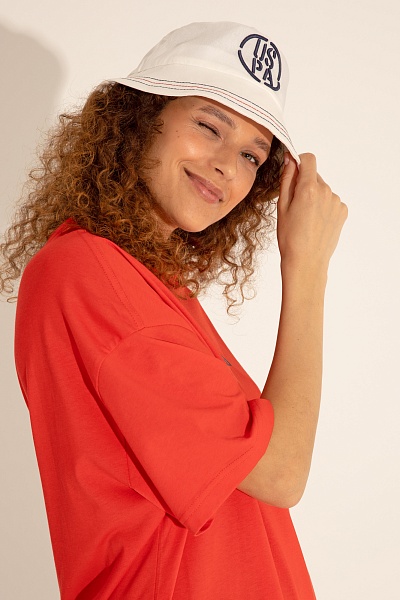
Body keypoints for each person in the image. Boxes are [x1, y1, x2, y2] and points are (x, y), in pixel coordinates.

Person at [0, 21, 347, 600]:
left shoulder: (149, 285)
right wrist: (307, 268)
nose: (227, 165)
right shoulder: (87, 273)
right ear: (138, 118)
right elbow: (281, 473)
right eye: (209, 126)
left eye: (251, 155)